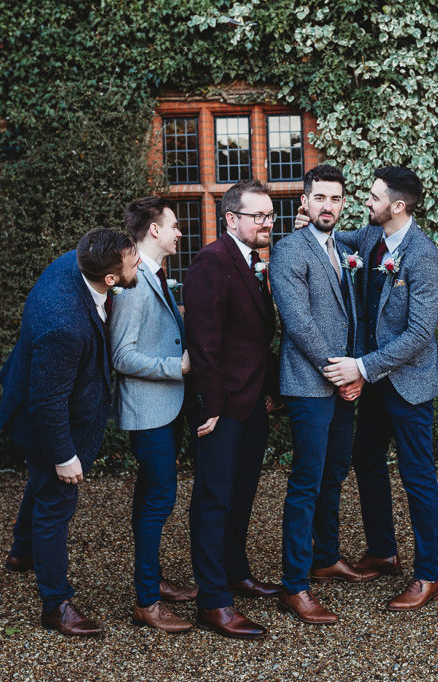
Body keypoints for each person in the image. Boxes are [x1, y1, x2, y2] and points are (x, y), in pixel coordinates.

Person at [317, 166, 438, 611]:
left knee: (418, 476)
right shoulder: (371, 239)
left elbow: (419, 334)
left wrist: (361, 367)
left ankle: (429, 573)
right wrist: (308, 225)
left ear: (397, 206)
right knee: (366, 458)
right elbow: (339, 239)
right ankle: (383, 549)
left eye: (373, 197)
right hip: (374, 383)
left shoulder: (425, 257)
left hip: (408, 384)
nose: (364, 203)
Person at [0, 228, 139, 636]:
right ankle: (55, 603)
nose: (139, 267)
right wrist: (65, 456)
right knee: (57, 501)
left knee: (41, 482)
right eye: (133, 264)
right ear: (109, 279)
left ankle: (21, 553)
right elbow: (47, 404)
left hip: (42, 395)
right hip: (41, 418)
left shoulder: (78, 260)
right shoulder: (64, 324)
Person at [269, 164, 380, 626]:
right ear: (305, 202)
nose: (328, 206)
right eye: (320, 198)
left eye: (336, 199)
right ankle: (295, 585)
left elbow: (351, 317)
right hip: (310, 384)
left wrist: (358, 371)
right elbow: (299, 324)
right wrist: (341, 374)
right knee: (306, 480)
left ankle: (326, 555)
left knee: (335, 471)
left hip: (343, 384)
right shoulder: (289, 250)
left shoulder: (343, 247)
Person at [183, 179, 281, 639]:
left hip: (251, 400)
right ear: (232, 220)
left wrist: (265, 391)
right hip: (221, 408)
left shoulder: (253, 262)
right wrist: (213, 406)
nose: (267, 222)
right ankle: (213, 600)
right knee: (214, 499)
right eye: (257, 215)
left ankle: (236, 571)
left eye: (269, 214)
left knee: (242, 493)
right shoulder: (210, 261)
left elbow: (255, 337)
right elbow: (202, 342)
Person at [109, 196, 197, 633]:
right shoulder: (130, 281)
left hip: (168, 408)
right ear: (155, 231)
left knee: (151, 498)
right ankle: (146, 600)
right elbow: (121, 355)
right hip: (148, 411)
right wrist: (174, 366)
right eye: (175, 225)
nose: (180, 232)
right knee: (158, 501)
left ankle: (153, 581)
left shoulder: (156, 276)